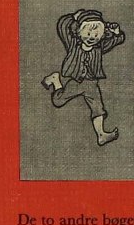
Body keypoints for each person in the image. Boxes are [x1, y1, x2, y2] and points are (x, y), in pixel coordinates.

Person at [43, 9, 125, 146]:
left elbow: (116, 41)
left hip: (91, 83)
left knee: (98, 108)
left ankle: (101, 134)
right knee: (58, 101)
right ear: (79, 31)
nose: (92, 37)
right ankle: (55, 80)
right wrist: (73, 17)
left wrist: (116, 32)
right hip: (76, 81)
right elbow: (62, 25)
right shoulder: (73, 43)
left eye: (96, 34)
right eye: (88, 33)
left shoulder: (99, 47)